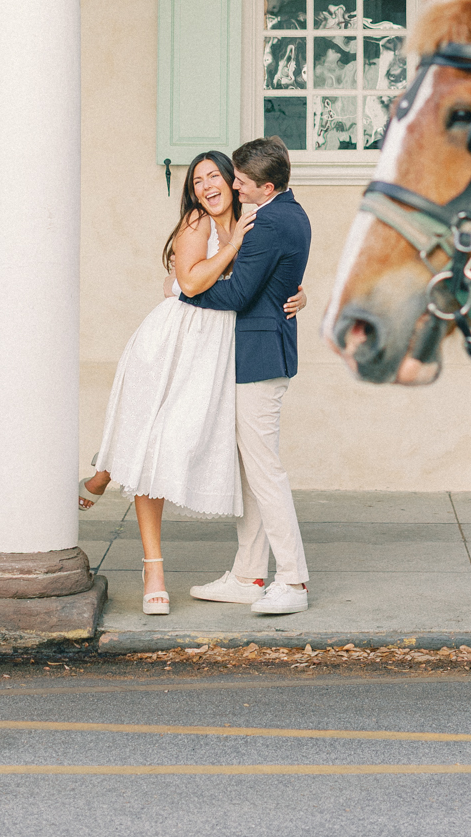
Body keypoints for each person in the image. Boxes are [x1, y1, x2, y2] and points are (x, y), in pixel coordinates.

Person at [78, 150, 305, 616]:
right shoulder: (200, 223)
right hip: (176, 344)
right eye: (197, 180)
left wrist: (298, 292)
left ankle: (104, 472)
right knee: (156, 437)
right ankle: (153, 559)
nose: (208, 186)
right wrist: (219, 257)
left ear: (238, 182)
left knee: (230, 461)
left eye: (216, 176)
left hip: (223, 354)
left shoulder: (258, 220)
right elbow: (192, 281)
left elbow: (259, 278)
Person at [183, 135, 313, 616]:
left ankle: (293, 580)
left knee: (264, 472)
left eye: (240, 181)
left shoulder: (268, 223)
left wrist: (184, 290)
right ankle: (248, 575)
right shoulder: (291, 213)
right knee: (251, 472)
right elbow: (274, 284)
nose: (235, 188)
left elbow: (238, 294)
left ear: (267, 186)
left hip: (259, 359)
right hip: (257, 355)